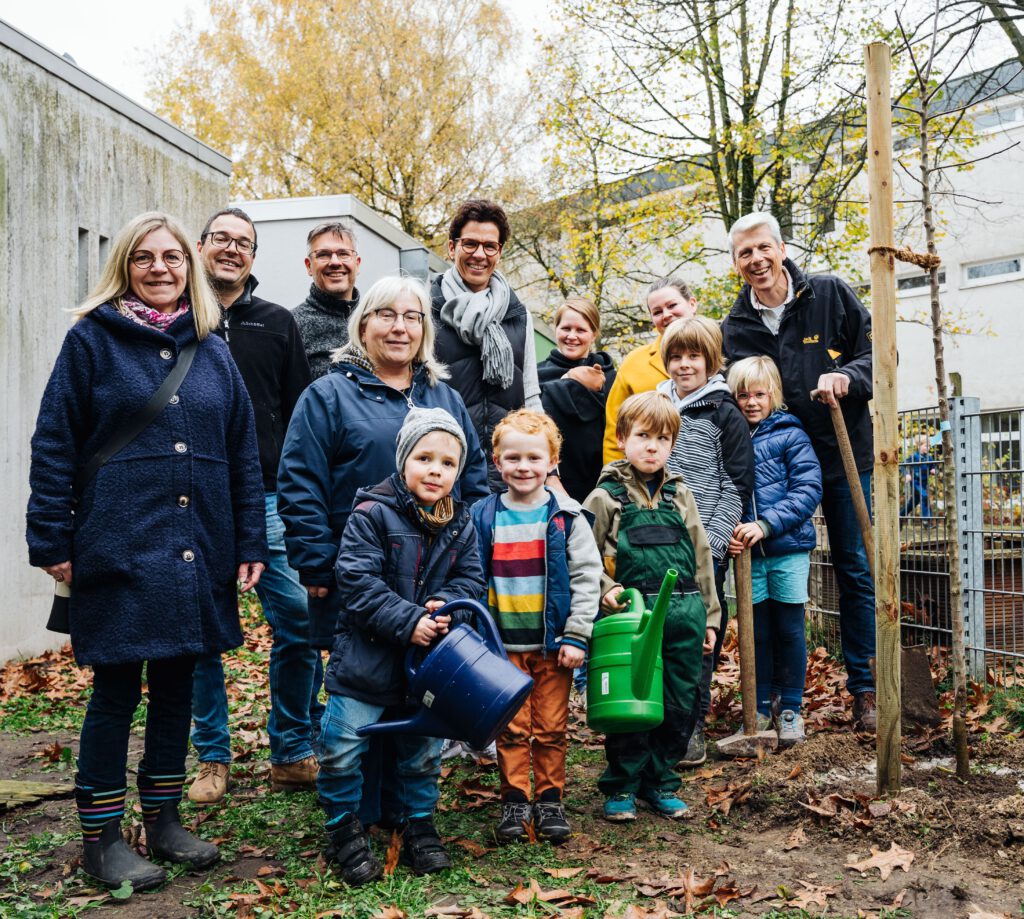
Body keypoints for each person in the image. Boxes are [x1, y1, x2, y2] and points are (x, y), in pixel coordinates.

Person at [26, 212, 267, 890]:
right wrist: (51, 536)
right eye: (143, 258)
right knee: (114, 690)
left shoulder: (212, 347)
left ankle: (162, 818)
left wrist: (250, 536)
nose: (159, 268)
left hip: (200, 547)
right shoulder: (91, 342)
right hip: (118, 543)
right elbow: (55, 443)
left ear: (189, 267)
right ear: (124, 268)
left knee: (176, 688)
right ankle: (102, 838)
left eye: (170, 257)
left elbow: (243, 451)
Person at [720, 212, 877, 731]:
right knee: (774, 588)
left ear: (782, 247)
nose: (756, 260)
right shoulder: (735, 328)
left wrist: (847, 376)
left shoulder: (829, 294)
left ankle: (867, 689)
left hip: (841, 456)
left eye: (763, 248)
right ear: (735, 262)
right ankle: (775, 698)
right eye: (745, 253)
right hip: (775, 474)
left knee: (854, 568)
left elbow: (877, 358)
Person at [316, 408, 486, 885]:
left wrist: (450, 604)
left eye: (448, 463)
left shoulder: (462, 524)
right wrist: (410, 619)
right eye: (425, 458)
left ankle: (418, 824)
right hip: (366, 661)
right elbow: (357, 581)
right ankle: (344, 828)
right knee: (342, 746)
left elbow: (472, 578)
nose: (436, 470)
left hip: (428, 666)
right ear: (402, 461)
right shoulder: (371, 512)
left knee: (423, 752)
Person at [278, 273, 490, 652]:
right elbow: (300, 483)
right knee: (362, 695)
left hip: (438, 581)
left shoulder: (447, 399)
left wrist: (467, 564)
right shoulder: (327, 396)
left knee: (428, 699)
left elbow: (473, 481)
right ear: (363, 324)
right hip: (360, 576)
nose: (399, 328)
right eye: (386, 315)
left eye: (412, 317)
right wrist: (316, 563)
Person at [187, 208, 320, 804]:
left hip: (267, 494)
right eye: (222, 239)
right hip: (195, 497)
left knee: (299, 617)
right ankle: (212, 756)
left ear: (254, 256)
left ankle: (291, 748)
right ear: (202, 246)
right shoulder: (176, 319)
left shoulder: (276, 323)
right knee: (201, 630)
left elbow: (296, 413)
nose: (232, 250)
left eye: (244, 243)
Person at [584, 392, 721, 822]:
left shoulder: (681, 494)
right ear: (623, 438)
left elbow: (701, 555)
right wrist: (605, 587)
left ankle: (659, 781)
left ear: (672, 445)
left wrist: (711, 617)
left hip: (685, 612)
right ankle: (622, 784)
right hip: (632, 617)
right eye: (643, 436)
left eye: (662, 439)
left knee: (680, 699)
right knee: (633, 699)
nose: (652, 446)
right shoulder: (604, 498)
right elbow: (583, 558)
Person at [470, 410, 602, 845]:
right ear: (497, 461)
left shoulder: (566, 517)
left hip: (553, 646)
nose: (523, 467)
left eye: (533, 458)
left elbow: (586, 577)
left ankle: (549, 799)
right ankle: (514, 799)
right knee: (510, 727)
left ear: (552, 462)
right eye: (513, 458)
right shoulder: (483, 517)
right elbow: (470, 576)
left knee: (549, 726)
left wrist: (577, 635)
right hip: (501, 648)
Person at [656, 315, 755, 766]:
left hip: (701, 547)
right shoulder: (654, 408)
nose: (684, 364)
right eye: (675, 356)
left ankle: (688, 726)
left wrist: (713, 544)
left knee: (695, 637)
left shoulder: (723, 412)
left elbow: (736, 484)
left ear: (711, 360)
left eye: (693, 356)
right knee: (655, 632)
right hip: (652, 543)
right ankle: (652, 718)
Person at [726, 356, 822, 747]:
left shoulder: (790, 435)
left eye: (759, 394)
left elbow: (807, 491)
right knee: (756, 633)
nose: (751, 402)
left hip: (786, 549)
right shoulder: (729, 437)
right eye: (743, 395)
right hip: (748, 557)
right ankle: (760, 707)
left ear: (774, 395)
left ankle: (792, 710)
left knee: (789, 628)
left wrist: (765, 524)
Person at [431, 199, 542, 491]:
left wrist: (549, 468)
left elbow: (530, 395)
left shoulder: (518, 314)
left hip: (506, 470)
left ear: (499, 252)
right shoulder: (424, 307)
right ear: (452, 247)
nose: (479, 254)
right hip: (443, 470)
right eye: (470, 244)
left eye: (489, 246)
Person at [602, 278, 698, 463]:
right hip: (647, 475)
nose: (666, 315)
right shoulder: (634, 362)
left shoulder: (719, 353)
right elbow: (615, 430)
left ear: (692, 304)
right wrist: (615, 480)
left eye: (672, 305)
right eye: (657, 312)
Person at [537, 297, 617, 502]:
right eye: (566, 328)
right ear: (556, 329)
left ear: (594, 333)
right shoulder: (535, 375)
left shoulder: (612, 378)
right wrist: (567, 381)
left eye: (581, 330)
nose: (572, 336)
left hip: (603, 488)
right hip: (548, 486)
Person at [293, 221, 362, 380]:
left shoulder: (375, 319)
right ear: (309, 266)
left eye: (343, 254)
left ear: (357, 264)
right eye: (323, 254)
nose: (335, 262)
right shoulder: (291, 326)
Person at [902, 433, 936, 520]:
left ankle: (900, 517)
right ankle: (927, 521)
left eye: (929, 446)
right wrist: (907, 474)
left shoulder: (929, 458)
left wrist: (933, 470)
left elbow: (933, 467)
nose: (927, 448)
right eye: (925, 446)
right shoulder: (914, 457)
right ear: (919, 446)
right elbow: (903, 465)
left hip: (924, 484)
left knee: (913, 503)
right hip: (915, 482)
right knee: (924, 497)